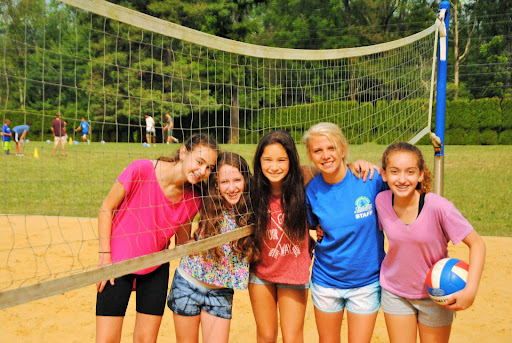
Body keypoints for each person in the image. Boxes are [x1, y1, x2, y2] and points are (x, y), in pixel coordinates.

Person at [96, 133, 219, 343]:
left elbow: (182, 242)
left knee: (146, 340)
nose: (202, 171)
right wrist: (105, 258)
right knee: (107, 339)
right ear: (183, 152)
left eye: (209, 168)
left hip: (155, 267)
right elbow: (106, 209)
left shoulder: (194, 197)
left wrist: (206, 243)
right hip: (117, 263)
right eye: (200, 162)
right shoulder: (142, 169)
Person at [376, 142, 486, 343]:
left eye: (410, 172)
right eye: (394, 172)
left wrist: (470, 291)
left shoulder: (438, 206)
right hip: (395, 291)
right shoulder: (381, 201)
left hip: (436, 295)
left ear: (421, 175)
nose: (402, 179)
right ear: (384, 174)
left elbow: (477, 244)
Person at [303, 122, 384, 343]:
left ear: (343, 149)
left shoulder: (369, 179)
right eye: (318, 150)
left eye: (331, 148)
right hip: (326, 281)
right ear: (310, 156)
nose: (326, 155)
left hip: (365, 283)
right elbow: (313, 225)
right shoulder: (312, 191)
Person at [167, 151, 256, 343]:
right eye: (224, 182)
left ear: (246, 180)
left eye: (237, 180)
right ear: (215, 184)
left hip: (220, 292)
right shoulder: (205, 199)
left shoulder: (253, 205)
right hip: (187, 284)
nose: (231, 188)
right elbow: (181, 182)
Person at [248, 130, 316, 343]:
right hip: (260, 272)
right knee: (266, 335)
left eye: (281, 160)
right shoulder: (252, 189)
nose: (274, 166)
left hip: (293, 272)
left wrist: (357, 164)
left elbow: (335, 171)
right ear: (259, 161)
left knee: (292, 336)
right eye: (267, 160)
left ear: (291, 161)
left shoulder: (305, 181)